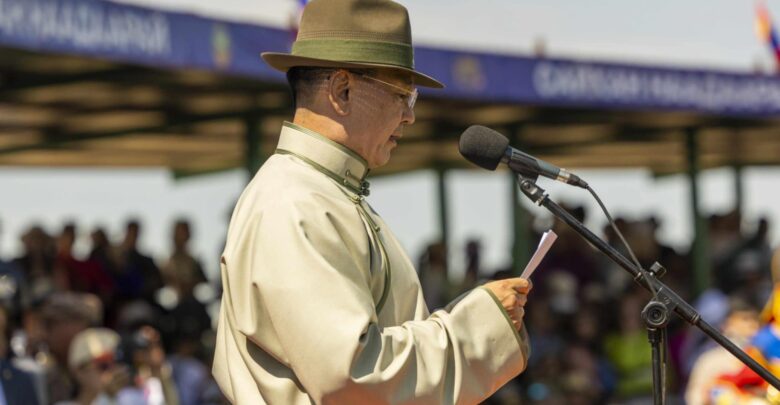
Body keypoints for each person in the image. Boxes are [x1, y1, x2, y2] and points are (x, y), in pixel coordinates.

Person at [213, 0, 532, 403]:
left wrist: (470, 317)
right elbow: (352, 375)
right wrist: (477, 328)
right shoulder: (295, 201)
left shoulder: (325, 193)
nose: (409, 115)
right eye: (402, 94)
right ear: (342, 90)